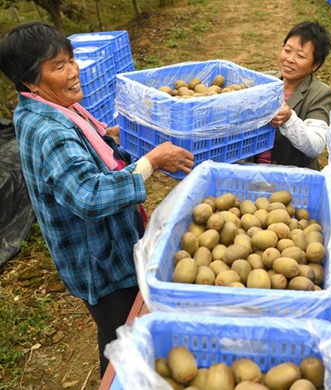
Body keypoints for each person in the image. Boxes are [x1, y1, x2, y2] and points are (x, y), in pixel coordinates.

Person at [0, 21, 194, 377]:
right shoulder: (49, 131)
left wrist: (111, 135)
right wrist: (151, 163)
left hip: (105, 247)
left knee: (114, 333)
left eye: (71, 60)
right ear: (30, 80)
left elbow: (87, 143)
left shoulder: (45, 107)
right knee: (122, 335)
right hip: (99, 260)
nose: (74, 71)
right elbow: (88, 196)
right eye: (58, 66)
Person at [255, 20, 331, 170]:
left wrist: (289, 119)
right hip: (249, 171)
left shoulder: (321, 94)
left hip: (293, 178)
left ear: (315, 65)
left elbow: (315, 145)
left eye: (301, 56)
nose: (290, 59)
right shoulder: (263, 81)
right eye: (287, 50)